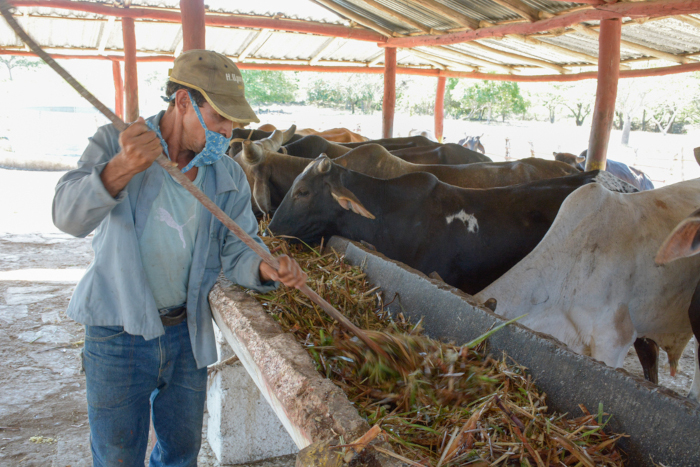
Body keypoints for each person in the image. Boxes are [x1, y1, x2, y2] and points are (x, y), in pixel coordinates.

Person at [53, 50, 306, 467]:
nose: (228, 132)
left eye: (233, 123)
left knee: (181, 451)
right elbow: (67, 217)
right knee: (117, 456)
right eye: (220, 118)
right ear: (184, 102)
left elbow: (239, 245)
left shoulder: (225, 175)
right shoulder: (116, 142)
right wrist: (120, 168)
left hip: (186, 332)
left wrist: (266, 266)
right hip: (117, 332)